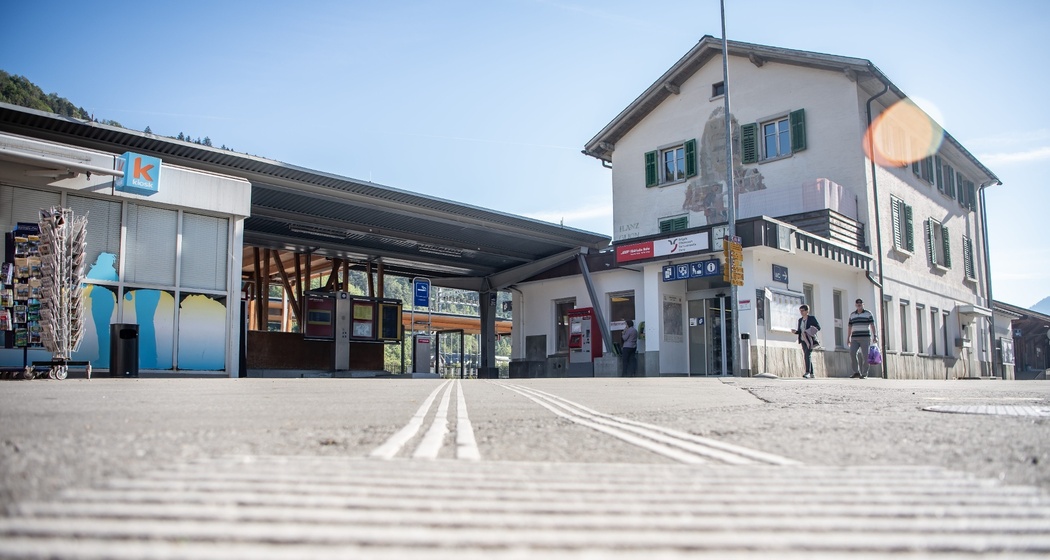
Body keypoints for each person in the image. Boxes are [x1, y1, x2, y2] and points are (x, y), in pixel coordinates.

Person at [847, 298, 878, 379]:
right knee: (852, 353)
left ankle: (864, 373)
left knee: (865, 356)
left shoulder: (868, 314)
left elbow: (872, 325)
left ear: (863, 305)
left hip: (865, 337)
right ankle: (856, 372)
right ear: (855, 305)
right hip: (854, 338)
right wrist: (848, 337)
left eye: (860, 304)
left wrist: (875, 335)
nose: (859, 305)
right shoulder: (852, 315)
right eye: (857, 304)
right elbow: (850, 326)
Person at [791, 304, 820, 378]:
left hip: (810, 339)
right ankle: (812, 373)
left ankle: (807, 372)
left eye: (803, 310)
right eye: (800, 311)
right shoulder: (800, 320)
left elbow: (818, 327)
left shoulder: (811, 318)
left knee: (807, 355)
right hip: (803, 340)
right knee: (807, 355)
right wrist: (796, 332)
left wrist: (809, 330)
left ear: (807, 311)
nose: (801, 312)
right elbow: (800, 331)